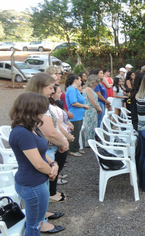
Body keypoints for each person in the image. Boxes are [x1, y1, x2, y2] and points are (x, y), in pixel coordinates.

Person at [9, 92, 65, 236]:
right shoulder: (22, 132)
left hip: (37, 182)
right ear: (32, 109)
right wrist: (51, 171)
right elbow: (38, 164)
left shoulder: (32, 127)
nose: (44, 112)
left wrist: (53, 164)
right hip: (32, 185)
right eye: (42, 108)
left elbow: (41, 152)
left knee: (37, 220)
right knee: (35, 225)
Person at [49, 84, 74, 191]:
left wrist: (68, 123)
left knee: (60, 162)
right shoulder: (50, 108)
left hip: (62, 136)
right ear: (52, 94)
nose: (61, 94)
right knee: (57, 163)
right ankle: (52, 191)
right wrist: (66, 138)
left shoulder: (56, 105)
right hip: (59, 138)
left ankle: (54, 185)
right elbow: (57, 125)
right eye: (59, 92)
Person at [65, 74, 90, 157]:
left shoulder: (75, 89)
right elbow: (74, 102)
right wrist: (84, 106)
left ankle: (76, 147)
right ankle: (72, 150)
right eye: (79, 79)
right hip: (74, 115)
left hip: (79, 115)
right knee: (74, 133)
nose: (81, 81)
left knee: (77, 132)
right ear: (75, 80)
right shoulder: (71, 90)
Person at [82, 75, 102, 147]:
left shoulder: (90, 88)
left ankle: (91, 141)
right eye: (96, 82)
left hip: (92, 109)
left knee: (93, 126)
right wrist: (98, 108)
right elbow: (92, 101)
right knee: (90, 126)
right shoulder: (88, 89)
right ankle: (89, 142)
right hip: (90, 110)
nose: (96, 84)